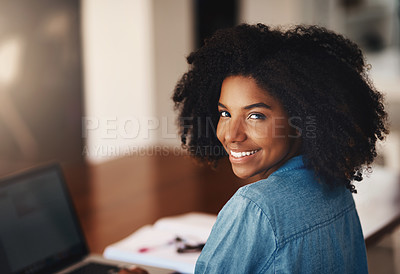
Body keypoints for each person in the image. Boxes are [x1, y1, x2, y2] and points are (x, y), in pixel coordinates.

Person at [172, 24, 388, 273]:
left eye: (255, 116)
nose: (231, 134)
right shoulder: (336, 185)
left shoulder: (254, 208)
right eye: (225, 113)